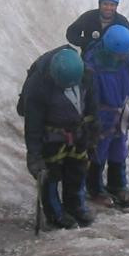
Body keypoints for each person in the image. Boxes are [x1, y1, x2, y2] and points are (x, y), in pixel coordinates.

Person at [20, 46, 99, 229]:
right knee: (50, 175)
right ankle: (55, 214)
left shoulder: (86, 75)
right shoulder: (38, 86)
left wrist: (92, 133)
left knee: (77, 171)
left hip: (78, 134)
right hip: (51, 138)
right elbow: (33, 125)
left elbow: (92, 106)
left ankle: (75, 206)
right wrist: (34, 156)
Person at [84, 25, 129, 208]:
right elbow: (89, 95)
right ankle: (94, 188)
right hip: (101, 114)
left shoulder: (128, 64)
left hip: (120, 113)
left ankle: (118, 185)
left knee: (118, 150)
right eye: (119, 54)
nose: (122, 57)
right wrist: (92, 118)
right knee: (98, 152)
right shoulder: (92, 65)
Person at [65, 0, 129, 56]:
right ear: (99, 4)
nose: (108, 8)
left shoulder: (122, 22)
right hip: (88, 58)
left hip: (112, 59)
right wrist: (88, 43)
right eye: (105, 4)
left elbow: (127, 43)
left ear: (116, 6)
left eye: (112, 5)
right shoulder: (89, 17)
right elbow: (71, 33)